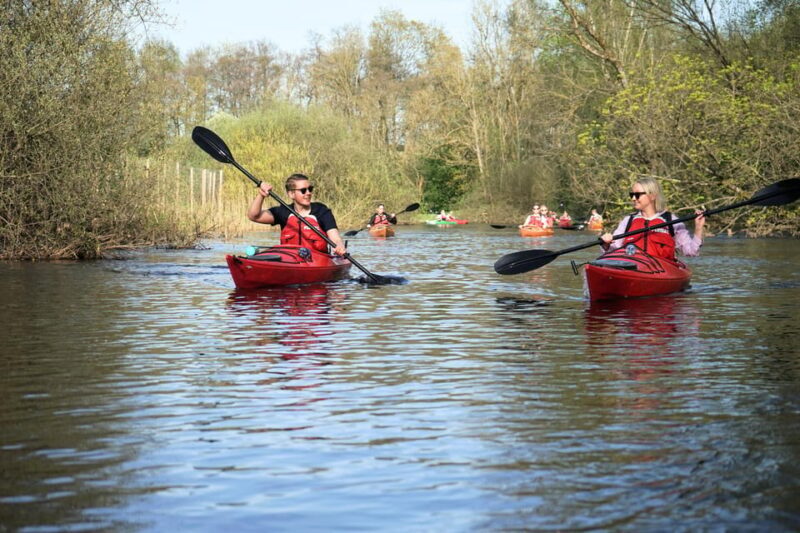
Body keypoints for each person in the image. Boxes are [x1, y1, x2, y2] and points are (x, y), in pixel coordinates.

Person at [600, 177, 705, 260]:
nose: (633, 198)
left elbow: (691, 252)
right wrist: (606, 244)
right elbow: (614, 249)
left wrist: (698, 228)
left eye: (637, 195)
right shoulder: (628, 221)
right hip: (631, 264)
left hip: (662, 269)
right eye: (632, 194)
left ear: (652, 196)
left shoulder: (671, 221)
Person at [247, 173, 346, 256]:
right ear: (291, 194)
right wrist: (261, 195)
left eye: (310, 189)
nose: (308, 193)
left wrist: (340, 245)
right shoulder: (283, 212)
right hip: (290, 259)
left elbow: (335, 237)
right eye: (303, 190)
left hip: (318, 260)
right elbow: (254, 216)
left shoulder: (322, 211)